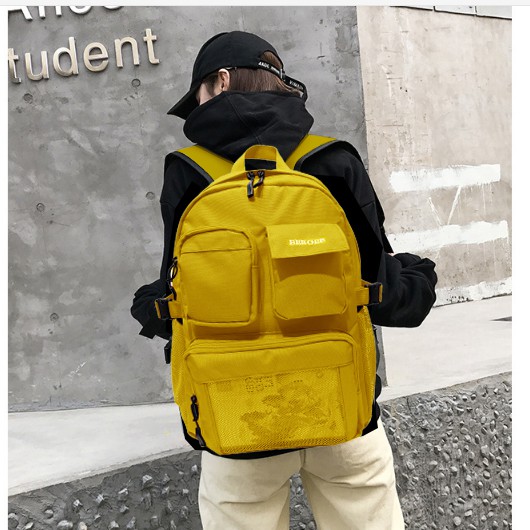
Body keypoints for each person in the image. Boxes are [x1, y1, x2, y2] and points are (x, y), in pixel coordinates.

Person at [131, 30, 437, 530]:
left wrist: (150, 305)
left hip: (235, 418)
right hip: (341, 410)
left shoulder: (187, 171)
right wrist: (419, 274)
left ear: (221, 81)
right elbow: (384, 294)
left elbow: (178, 302)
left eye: (199, 94)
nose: (197, 108)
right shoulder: (332, 158)